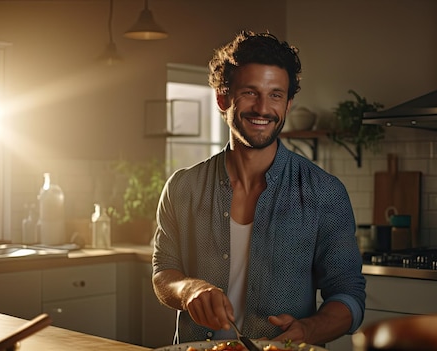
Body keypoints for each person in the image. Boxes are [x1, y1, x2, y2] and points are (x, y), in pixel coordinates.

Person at [151, 30, 366, 346]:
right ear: (223, 98)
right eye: (250, 92)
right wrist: (188, 291)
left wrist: (309, 330)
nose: (263, 108)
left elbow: (348, 294)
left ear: (289, 103)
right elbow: (163, 272)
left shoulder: (325, 193)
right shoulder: (183, 187)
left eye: (276, 95)